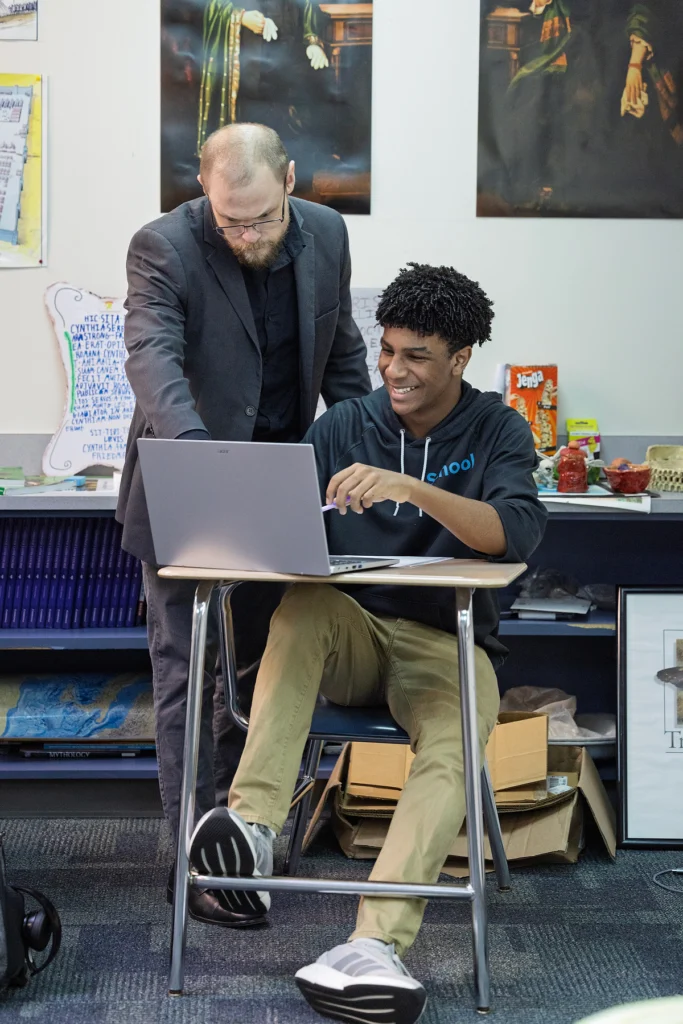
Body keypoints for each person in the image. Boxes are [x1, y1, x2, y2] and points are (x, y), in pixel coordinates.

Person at [188, 263, 548, 1023]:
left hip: (443, 641)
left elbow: (510, 534)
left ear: (459, 359)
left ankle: (373, 946)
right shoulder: (343, 424)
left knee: (454, 744)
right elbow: (281, 528)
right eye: (387, 349)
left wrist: (409, 488)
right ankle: (252, 829)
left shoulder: (497, 428)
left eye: (416, 354)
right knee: (303, 603)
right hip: (347, 634)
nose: (393, 368)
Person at [116, 122, 371, 929]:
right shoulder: (163, 246)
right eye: (230, 222)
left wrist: (379, 458)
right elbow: (152, 357)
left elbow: (343, 363)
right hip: (187, 483)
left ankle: (249, 839)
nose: (246, 235)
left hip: (283, 489)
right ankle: (195, 860)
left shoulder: (327, 234)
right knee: (190, 678)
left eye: (260, 219)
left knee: (266, 677)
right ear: (205, 192)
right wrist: (198, 461)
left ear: (290, 180)